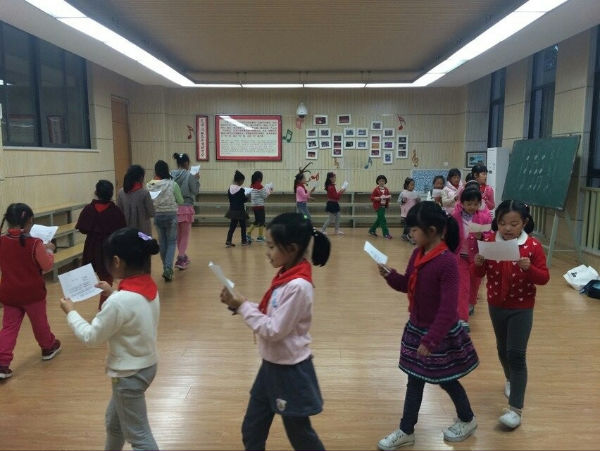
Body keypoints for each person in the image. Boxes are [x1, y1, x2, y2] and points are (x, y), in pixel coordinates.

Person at [220, 212, 330, 451]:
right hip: (270, 365)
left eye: (271, 246)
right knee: (252, 429)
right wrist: (239, 305)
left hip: (290, 371)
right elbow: (270, 315)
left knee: (301, 436)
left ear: (291, 249)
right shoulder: (286, 276)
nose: (267, 252)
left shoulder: (298, 286)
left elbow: (273, 329)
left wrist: (243, 307)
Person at [376, 201, 479, 450]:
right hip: (417, 328)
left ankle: (467, 419)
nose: (410, 234)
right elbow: (407, 285)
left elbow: (448, 308)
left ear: (432, 231)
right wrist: (390, 275)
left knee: (447, 380)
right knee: (414, 380)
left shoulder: (447, 262)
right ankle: (406, 430)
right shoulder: (418, 254)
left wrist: (431, 339)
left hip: (439, 333)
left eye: (414, 230)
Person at [60, 228, 161, 450]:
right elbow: (132, 309)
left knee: (140, 437)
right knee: (114, 423)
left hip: (128, 375)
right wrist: (112, 292)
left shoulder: (119, 302)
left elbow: (90, 337)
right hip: (145, 365)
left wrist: (71, 312)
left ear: (116, 261)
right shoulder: (148, 287)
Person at [473, 200, 549, 429]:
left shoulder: (533, 246)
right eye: (502, 223)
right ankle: (509, 378)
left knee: (516, 354)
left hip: (522, 308)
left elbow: (544, 278)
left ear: (524, 223)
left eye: (514, 224)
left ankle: (515, 410)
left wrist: (529, 268)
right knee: (502, 349)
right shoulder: (489, 242)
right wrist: (478, 263)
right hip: (496, 306)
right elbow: (478, 273)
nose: (507, 228)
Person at [0, 203, 61, 379]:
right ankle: (48, 347)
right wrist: (49, 250)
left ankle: (2, 363)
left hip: (9, 293)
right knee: (39, 323)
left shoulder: (2, 241)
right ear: (30, 222)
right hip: (33, 293)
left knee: (8, 328)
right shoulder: (35, 243)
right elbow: (46, 265)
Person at [76, 180, 127, 308]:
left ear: (96, 192)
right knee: (107, 278)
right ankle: (103, 307)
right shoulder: (115, 211)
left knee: (103, 277)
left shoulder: (89, 209)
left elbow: (82, 228)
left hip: (92, 248)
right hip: (109, 248)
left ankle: (103, 306)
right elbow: (121, 230)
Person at [451, 187, 492, 329]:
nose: (472, 207)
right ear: (462, 203)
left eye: (475, 204)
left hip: (477, 259)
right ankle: (462, 319)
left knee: (474, 285)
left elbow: (490, 236)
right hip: (460, 257)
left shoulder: (484, 217)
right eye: (469, 204)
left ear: (480, 204)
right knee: (463, 287)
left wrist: (482, 236)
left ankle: (471, 303)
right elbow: (449, 236)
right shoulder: (454, 217)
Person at [147, 160, 183, 281]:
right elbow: (181, 201)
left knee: (162, 242)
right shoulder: (172, 184)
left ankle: (166, 268)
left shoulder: (150, 185)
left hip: (157, 215)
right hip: (171, 216)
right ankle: (168, 268)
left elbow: (149, 201)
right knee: (171, 242)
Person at [171, 153, 200, 270]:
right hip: (186, 207)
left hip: (173, 208)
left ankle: (182, 255)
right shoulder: (190, 175)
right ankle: (181, 258)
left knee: (178, 235)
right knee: (185, 235)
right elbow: (195, 191)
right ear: (187, 163)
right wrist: (196, 179)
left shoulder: (171, 174)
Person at [117, 165, 155, 237]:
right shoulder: (144, 193)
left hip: (126, 231)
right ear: (141, 178)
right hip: (143, 232)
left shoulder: (121, 192)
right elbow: (152, 213)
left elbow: (119, 212)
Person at [226, 170, 250, 247]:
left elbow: (230, 199)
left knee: (232, 226)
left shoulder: (229, 189)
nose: (243, 182)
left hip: (232, 210)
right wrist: (248, 196)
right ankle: (244, 241)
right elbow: (244, 200)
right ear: (240, 180)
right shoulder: (241, 190)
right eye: (243, 181)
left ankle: (228, 241)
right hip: (240, 211)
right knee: (243, 226)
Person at [246, 171, 272, 243]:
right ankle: (258, 236)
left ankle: (249, 234)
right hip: (260, 206)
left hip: (254, 206)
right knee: (262, 221)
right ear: (259, 178)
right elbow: (265, 196)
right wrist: (269, 190)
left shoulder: (251, 186)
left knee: (257, 220)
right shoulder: (260, 186)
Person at [369, 174, 392, 239]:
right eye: (380, 181)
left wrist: (389, 197)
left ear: (385, 181)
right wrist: (377, 198)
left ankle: (372, 230)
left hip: (383, 206)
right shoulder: (376, 189)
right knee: (383, 220)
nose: (381, 182)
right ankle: (386, 234)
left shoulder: (386, 189)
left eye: (383, 181)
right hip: (378, 207)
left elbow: (388, 196)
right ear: (378, 182)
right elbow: (372, 198)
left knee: (379, 220)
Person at [398, 177, 419, 243]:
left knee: (410, 225)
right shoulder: (403, 193)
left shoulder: (415, 193)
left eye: (414, 185)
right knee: (408, 225)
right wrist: (402, 201)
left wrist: (418, 200)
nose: (413, 186)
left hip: (413, 212)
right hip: (405, 212)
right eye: (411, 184)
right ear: (407, 185)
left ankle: (405, 235)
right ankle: (409, 236)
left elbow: (418, 202)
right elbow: (399, 201)